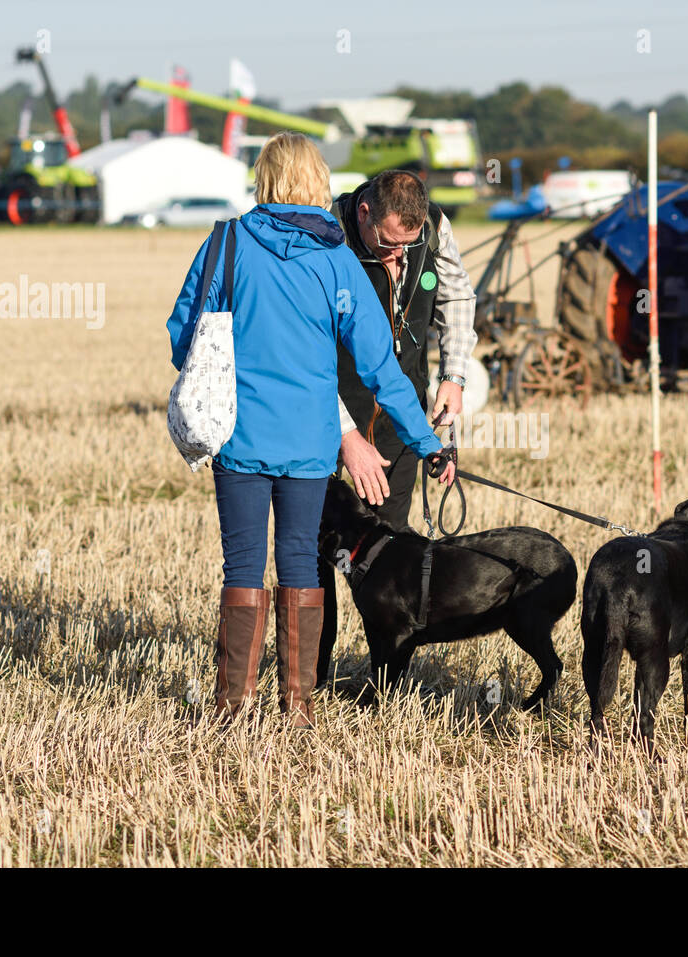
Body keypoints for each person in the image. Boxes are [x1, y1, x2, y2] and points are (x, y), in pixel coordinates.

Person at [164, 134, 454, 727]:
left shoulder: (227, 243)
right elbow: (381, 369)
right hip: (309, 445)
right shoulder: (337, 258)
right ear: (320, 181)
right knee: (300, 560)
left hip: (239, 438)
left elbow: (181, 336)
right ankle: (297, 706)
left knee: (241, 564)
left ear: (264, 177)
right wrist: (427, 443)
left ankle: (231, 706)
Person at [315, 170, 477, 687]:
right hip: (326, 413)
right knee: (314, 553)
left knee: (389, 548)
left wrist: (453, 377)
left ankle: (386, 678)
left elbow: (457, 298)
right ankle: (309, 680)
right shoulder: (324, 234)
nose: (396, 257)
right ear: (363, 212)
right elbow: (305, 347)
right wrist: (345, 434)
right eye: (388, 242)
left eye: (408, 245)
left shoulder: (435, 229)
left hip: (402, 413)